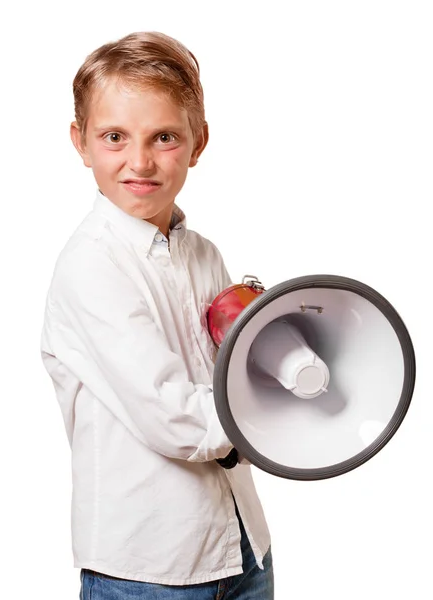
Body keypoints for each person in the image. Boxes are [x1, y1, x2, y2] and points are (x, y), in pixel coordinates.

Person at [41, 31, 273, 599]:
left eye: (164, 136)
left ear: (198, 143)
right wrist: (276, 411)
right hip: (148, 570)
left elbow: (234, 369)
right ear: (81, 142)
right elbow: (171, 416)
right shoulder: (90, 266)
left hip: (242, 548)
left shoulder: (204, 255)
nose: (139, 161)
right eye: (114, 137)